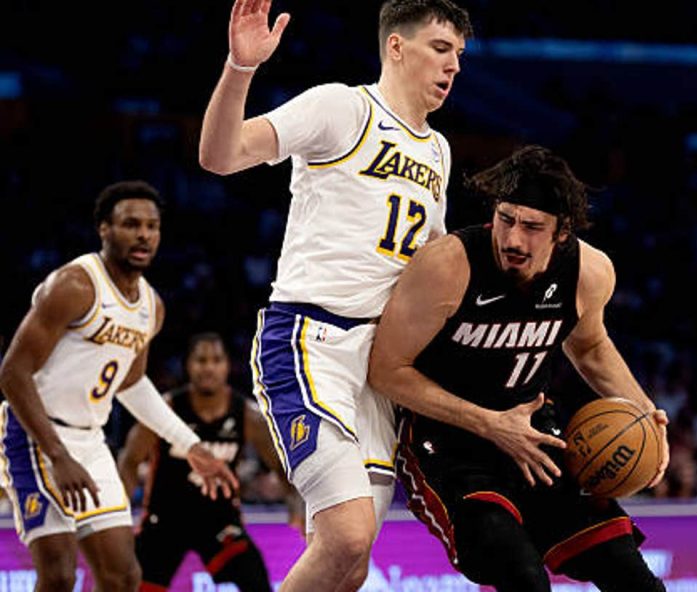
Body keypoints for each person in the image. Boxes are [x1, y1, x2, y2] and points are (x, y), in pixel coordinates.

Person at [198, 1, 474, 590]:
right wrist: (240, 69)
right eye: (441, 48)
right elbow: (220, 156)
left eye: (459, 56)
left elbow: (435, 264)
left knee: (349, 561)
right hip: (310, 340)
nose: (453, 66)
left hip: (380, 366)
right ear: (396, 47)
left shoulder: (439, 151)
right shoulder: (342, 107)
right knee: (347, 534)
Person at [368, 146, 670, 591]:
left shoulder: (588, 272)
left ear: (562, 232)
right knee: (523, 576)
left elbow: (589, 347)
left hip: (533, 437)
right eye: (506, 218)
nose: (513, 239)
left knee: (635, 580)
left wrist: (646, 413)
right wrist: (491, 425)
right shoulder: (447, 266)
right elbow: (387, 371)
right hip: (446, 447)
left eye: (532, 227)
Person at [0, 181, 237, 592]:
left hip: (89, 442)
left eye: (152, 226)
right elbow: (12, 374)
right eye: (130, 224)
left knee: (124, 577)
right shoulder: (75, 286)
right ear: (105, 230)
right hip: (34, 435)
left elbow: (131, 384)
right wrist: (58, 455)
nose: (143, 234)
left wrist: (191, 445)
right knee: (57, 574)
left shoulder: (151, 307)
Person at [118, 332, 293, 592]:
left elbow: (281, 467)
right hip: (165, 520)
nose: (208, 367)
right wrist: (118, 519)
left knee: (255, 579)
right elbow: (130, 460)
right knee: (133, 586)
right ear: (188, 365)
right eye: (201, 360)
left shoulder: (246, 414)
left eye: (216, 360)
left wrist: (297, 505)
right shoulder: (167, 409)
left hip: (219, 521)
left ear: (227, 366)